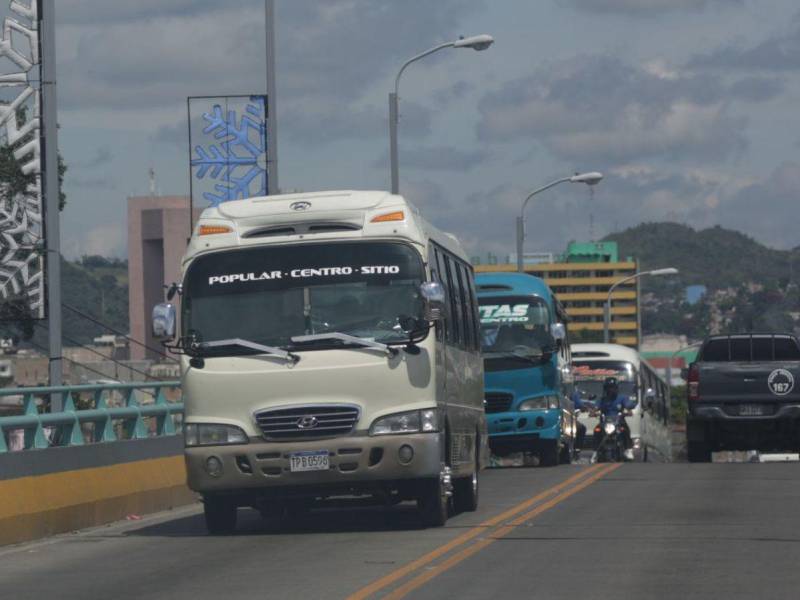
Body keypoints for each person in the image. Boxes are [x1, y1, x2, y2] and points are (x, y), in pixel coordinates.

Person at [593, 376, 637, 460]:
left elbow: (629, 404)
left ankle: (628, 449)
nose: (610, 390)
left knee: (625, 430)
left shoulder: (622, 398)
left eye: (612, 387)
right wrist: (593, 412)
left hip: (619, 421)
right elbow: (596, 407)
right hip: (605, 422)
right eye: (608, 388)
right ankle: (595, 452)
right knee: (597, 430)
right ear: (605, 389)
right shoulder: (602, 399)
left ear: (616, 388)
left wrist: (628, 409)